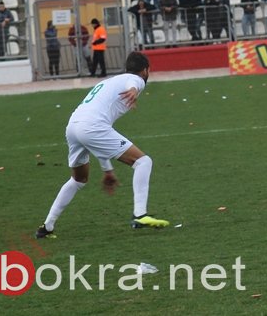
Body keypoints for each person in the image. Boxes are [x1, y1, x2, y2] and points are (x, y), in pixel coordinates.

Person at [35, 51, 170, 239]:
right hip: (92, 127)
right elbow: (135, 83)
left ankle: (47, 227)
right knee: (143, 162)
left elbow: (97, 140)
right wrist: (134, 90)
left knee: (78, 180)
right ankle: (140, 214)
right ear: (146, 70)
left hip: (73, 126)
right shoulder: (135, 79)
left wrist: (107, 170)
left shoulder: (108, 82)